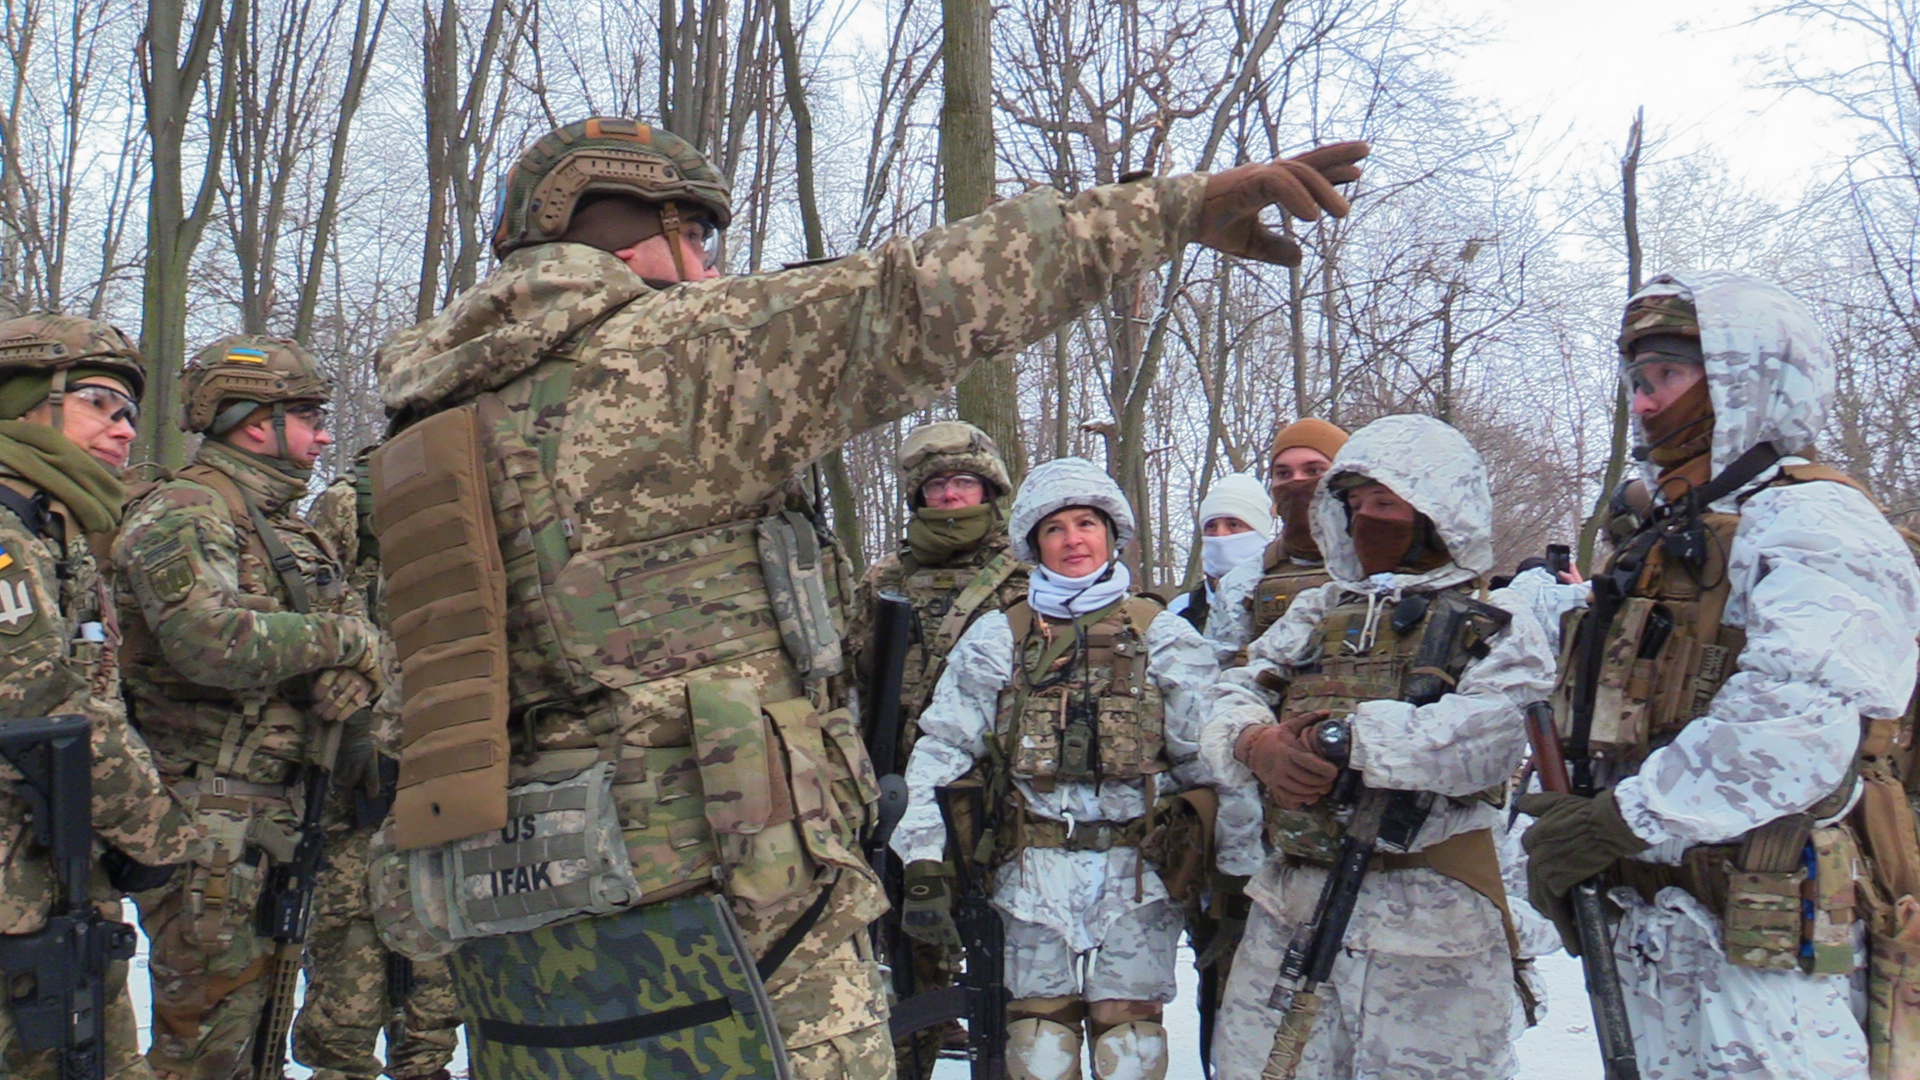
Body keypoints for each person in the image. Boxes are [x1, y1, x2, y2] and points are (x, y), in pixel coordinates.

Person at [367, 115, 1365, 1080]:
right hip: (728, 921)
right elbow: (912, 299)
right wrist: (1177, 208)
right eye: (703, 239)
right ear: (651, 232)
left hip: (515, 918)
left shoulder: (421, 439)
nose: (712, 269)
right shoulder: (664, 358)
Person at [1518, 273, 1920, 1079]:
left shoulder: (1816, 521)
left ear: (1745, 381)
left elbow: (1797, 728)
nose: (1643, 404)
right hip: (1660, 928)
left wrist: (1617, 822)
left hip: (1773, 959)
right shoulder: (1666, 541)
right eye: (1635, 382)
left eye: (1665, 376)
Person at [1202, 414, 1558, 1080]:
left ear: (1433, 512)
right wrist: (1259, 744)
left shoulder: (1499, 626)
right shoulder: (1316, 613)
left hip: (1434, 926)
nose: (1367, 520)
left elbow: (1487, 736)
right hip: (1294, 910)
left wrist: (1345, 738)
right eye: (1357, 505)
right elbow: (1231, 692)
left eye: (1386, 504)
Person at [890, 456, 1220, 1080]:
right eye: (1056, 528)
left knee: (1133, 1046)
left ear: (1111, 533)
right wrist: (925, 858)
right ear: (1035, 542)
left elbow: (1205, 759)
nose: (1073, 540)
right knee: (1038, 1044)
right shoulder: (999, 637)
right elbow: (941, 750)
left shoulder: (1165, 636)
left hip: (1137, 877)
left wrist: (1225, 866)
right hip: (1028, 876)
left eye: (1087, 523)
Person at [114, 335, 383, 1080]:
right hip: (207, 825)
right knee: (205, 1047)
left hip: (276, 821)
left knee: (254, 1042)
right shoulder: (186, 509)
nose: (325, 434)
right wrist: (341, 644)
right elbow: (208, 641)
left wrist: (360, 670)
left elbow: (370, 645)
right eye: (307, 415)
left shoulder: (289, 530)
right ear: (253, 422)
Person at [0, 314, 200, 1080]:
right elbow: (43, 708)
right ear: (27, 402)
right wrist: (159, 838)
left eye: (128, 413)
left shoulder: (55, 529)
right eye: (97, 403)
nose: (122, 430)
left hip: (48, 884)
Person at [846, 420, 1027, 1080]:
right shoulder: (881, 585)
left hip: (995, 811)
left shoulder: (1023, 582)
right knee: (906, 978)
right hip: (897, 807)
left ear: (991, 489)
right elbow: (847, 684)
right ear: (917, 499)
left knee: (1006, 983)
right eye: (937, 486)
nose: (952, 498)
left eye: (964, 483)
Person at [294, 445, 461, 1080]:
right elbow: (313, 607)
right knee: (348, 924)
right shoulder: (355, 498)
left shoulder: (482, 474)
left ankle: (427, 1062)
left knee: (440, 921)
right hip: (359, 752)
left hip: (445, 742)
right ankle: (342, 1064)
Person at [1205, 419, 1349, 665]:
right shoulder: (1242, 582)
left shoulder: (1383, 570)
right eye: (1283, 474)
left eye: (1313, 471)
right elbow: (1216, 675)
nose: (1297, 482)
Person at [1169, 473, 1272, 633]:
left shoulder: (1284, 598)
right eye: (1211, 526)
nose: (1220, 535)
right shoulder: (1181, 611)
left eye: (1233, 524)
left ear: (1259, 532)